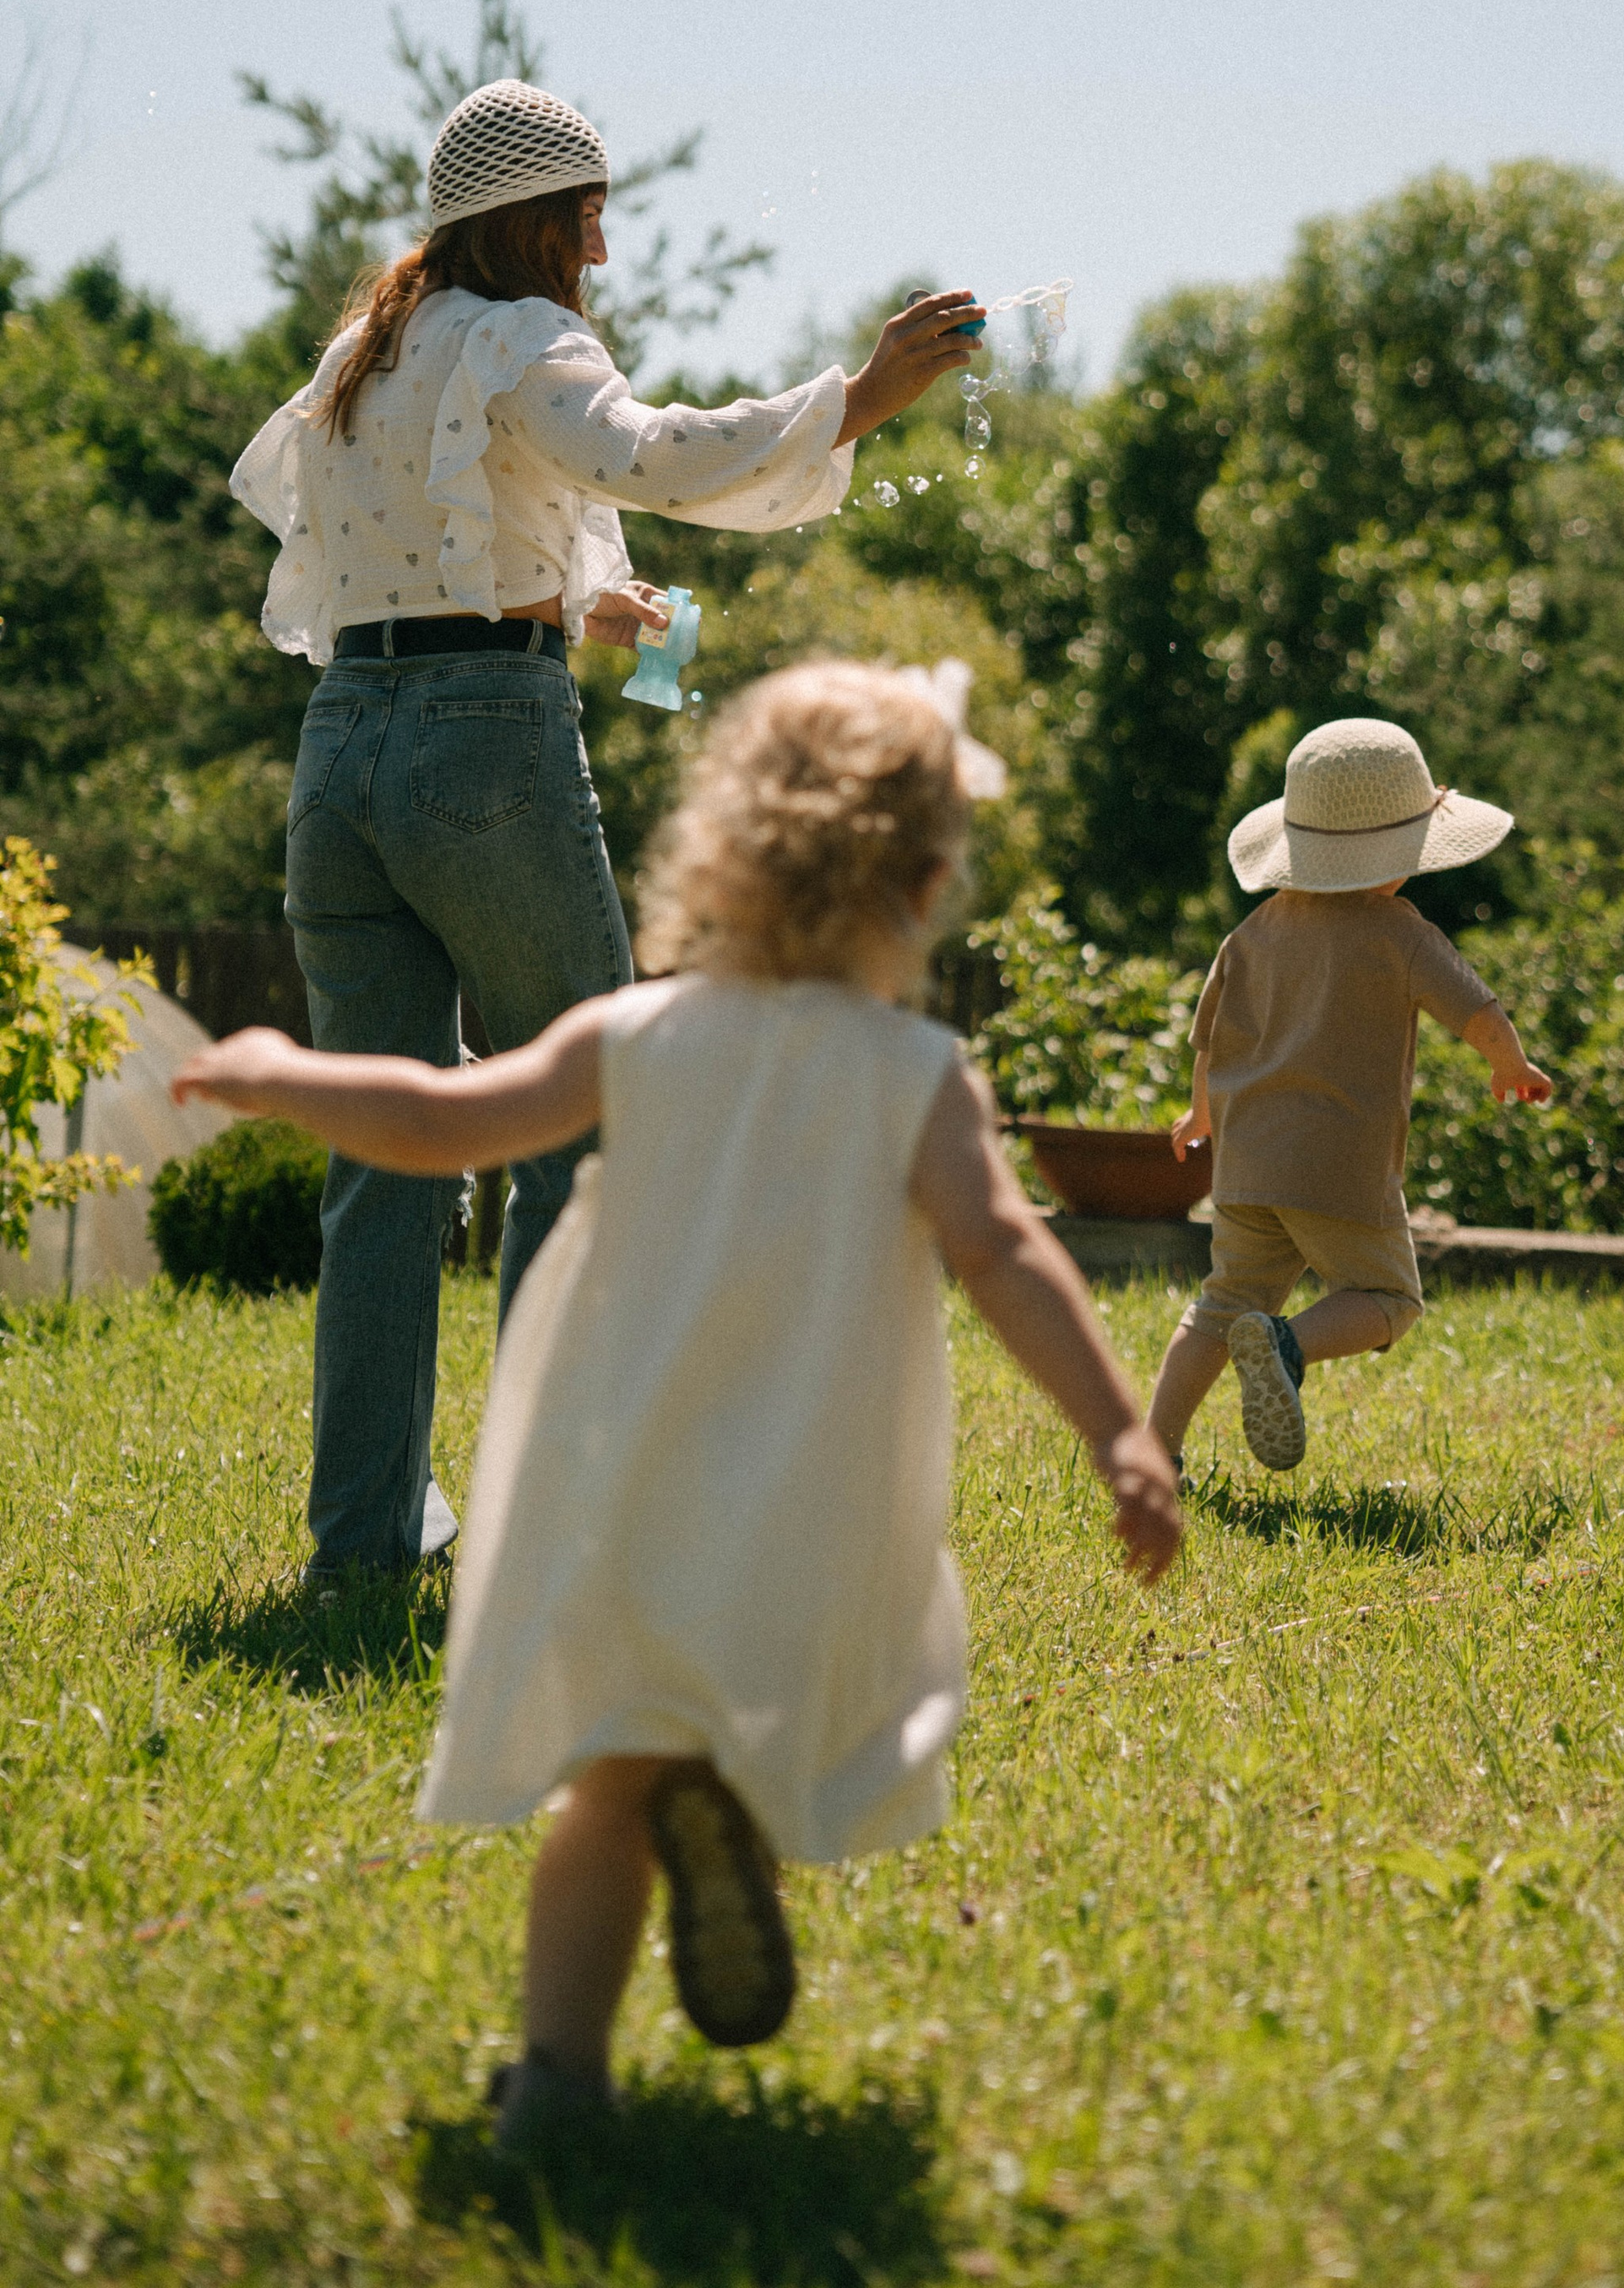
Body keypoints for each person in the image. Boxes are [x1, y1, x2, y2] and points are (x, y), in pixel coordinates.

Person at [173, 660, 1181, 2149]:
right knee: (760, 1720)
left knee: (609, 1790)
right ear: (921, 888)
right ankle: (732, 1822)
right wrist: (1119, 1432)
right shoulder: (917, 1073)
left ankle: (558, 2081)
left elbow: (445, 1121)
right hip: (810, 1504)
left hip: (626, 1485)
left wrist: (282, 1073)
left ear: (716, 854)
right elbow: (1005, 1253)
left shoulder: (635, 1033)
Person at [232, 74, 981, 1577]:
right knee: (586, 1119)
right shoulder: (523, 337)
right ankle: (549, 1526)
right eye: (586, 216)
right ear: (529, 220)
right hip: (483, 747)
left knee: (383, 1153)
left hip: (340, 750)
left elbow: (411, 557)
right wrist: (860, 395)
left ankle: (360, 1547)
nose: (602, 248)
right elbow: (655, 456)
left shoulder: (362, 354)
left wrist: (583, 600)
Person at [1145, 717, 1553, 1475]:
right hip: (1339, 1167)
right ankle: (1288, 1344)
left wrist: (1201, 1114)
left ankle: (1153, 1450)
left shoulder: (1250, 934)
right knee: (1389, 1298)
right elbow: (1477, 1009)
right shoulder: (1400, 932)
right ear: (1402, 854)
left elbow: (1212, 1041)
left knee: (1222, 1305)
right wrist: (1511, 1064)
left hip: (1245, 1164)